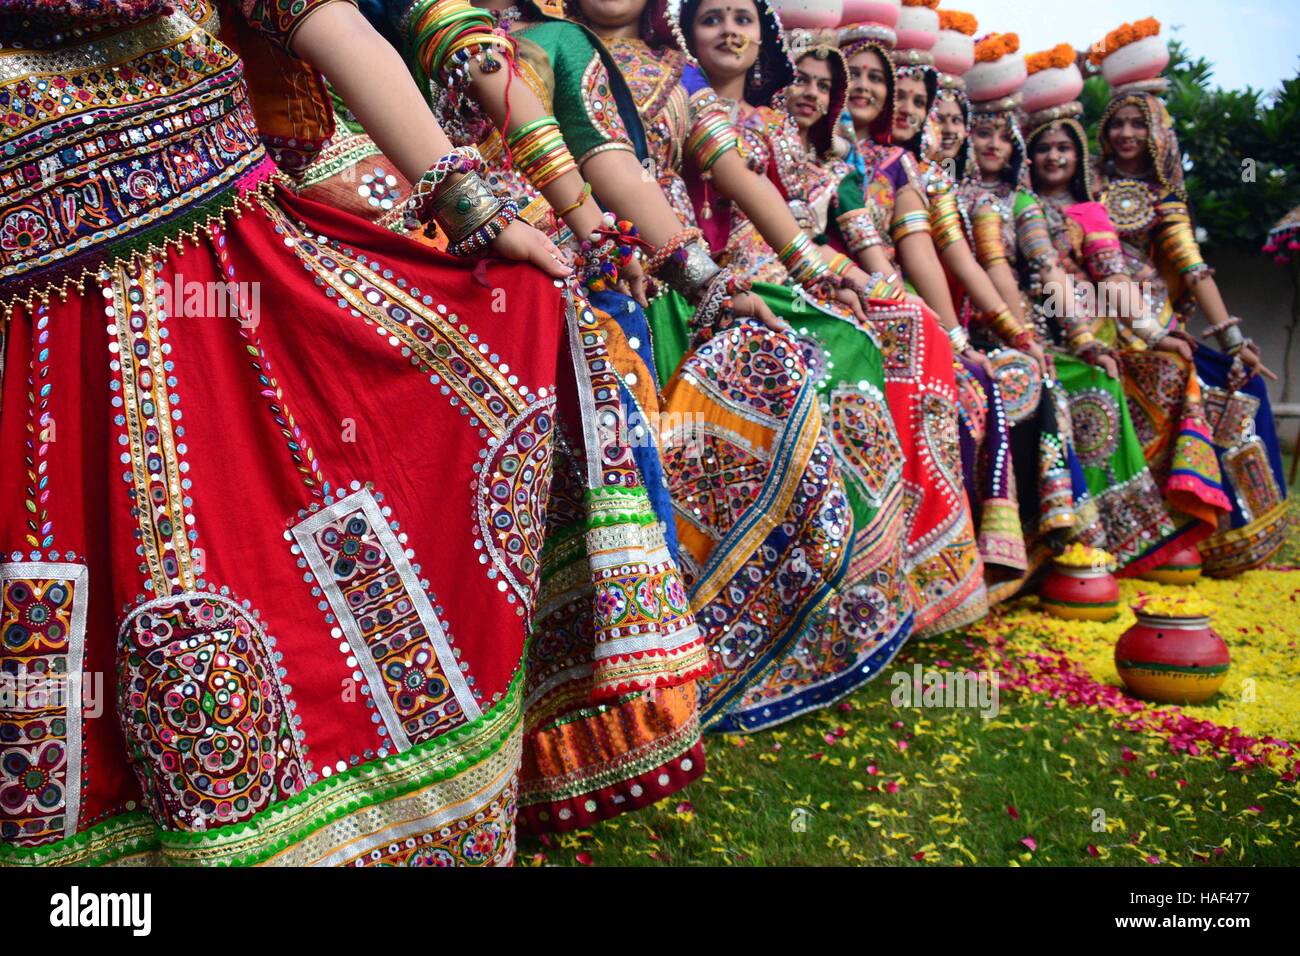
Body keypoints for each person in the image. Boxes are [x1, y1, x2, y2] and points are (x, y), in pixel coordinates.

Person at [0, 0, 703, 865]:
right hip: (38, 311)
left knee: (266, 555)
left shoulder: (544, 41)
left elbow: (329, 20)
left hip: (236, 273)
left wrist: (483, 210)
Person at [678, 0, 989, 643]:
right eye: (714, 18)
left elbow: (800, 229)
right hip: (694, 269)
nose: (731, 31)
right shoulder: (679, 96)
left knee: (901, 325)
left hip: (779, 274)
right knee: (849, 341)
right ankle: (816, 584)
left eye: (743, 18)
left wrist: (850, 279)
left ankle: (892, 569)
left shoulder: (780, 135)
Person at [1092, 18, 1288, 576]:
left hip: (1152, 323)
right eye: (1118, 124)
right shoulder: (1084, 187)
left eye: (1138, 123)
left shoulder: (1164, 199)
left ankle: (1209, 533)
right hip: (1090, 320)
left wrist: (1234, 337)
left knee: (1231, 381)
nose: (1126, 134)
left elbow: (1193, 269)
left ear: (1156, 132)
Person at [1021, 45, 1224, 574]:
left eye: (1065, 148)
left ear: (1078, 154)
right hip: (1033, 331)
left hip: (1093, 331)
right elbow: (1042, 277)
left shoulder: (1090, 211)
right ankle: (1086, 534)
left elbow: (1112, 278)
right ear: (1030, 156)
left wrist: (1157, 335)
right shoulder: (1014, 206)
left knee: (1169, 367)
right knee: (1098, 380)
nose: (1055, 158)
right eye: (1043, 148)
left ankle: (1152, 524)